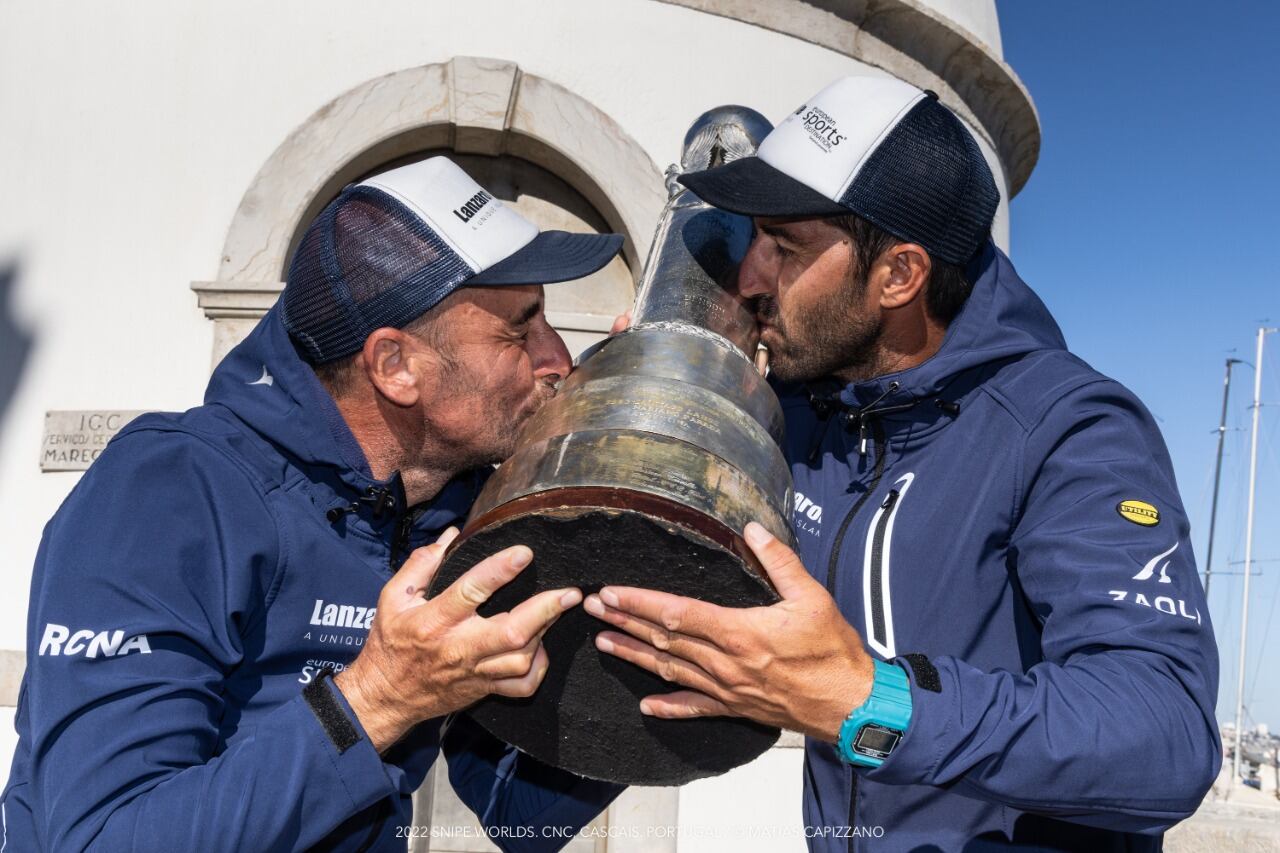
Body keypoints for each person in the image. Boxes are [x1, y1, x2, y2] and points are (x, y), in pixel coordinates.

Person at [584, 76, 1221, 850]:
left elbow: (1165, 735)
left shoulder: (1067, 428)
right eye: (754, 237)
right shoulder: (796, 408)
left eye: (784, 248)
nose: (752, 276)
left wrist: (868, 700)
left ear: (899, 275)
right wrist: (634, 403)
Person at [2, 157, 626, 851]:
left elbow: (520, 812)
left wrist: (650, 631)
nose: (559, 359)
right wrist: (380, 698)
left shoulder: (444, 511)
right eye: (522, 328)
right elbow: (100, 839)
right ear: (395, 366)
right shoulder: (168, 493)